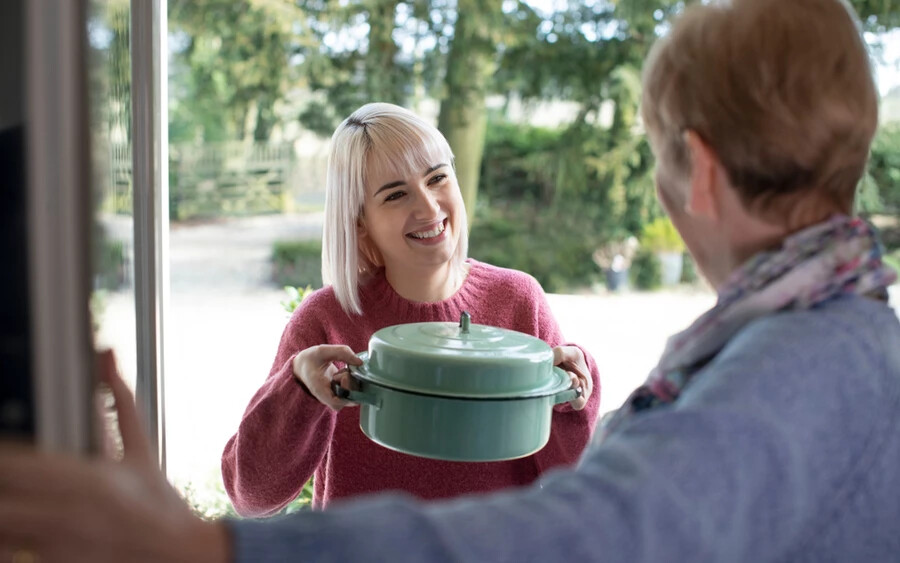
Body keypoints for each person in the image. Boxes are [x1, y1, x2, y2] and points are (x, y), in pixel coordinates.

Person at [1, 0, 899, 561]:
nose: (430, 204)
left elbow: (593, 525)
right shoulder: (841, 338)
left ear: (697, 171)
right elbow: (257, 482)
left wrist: (197, 550)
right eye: (395, 192)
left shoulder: (790, 365)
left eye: (659, 159)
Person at [220, 102, 600, 515]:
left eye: (437, 178)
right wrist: (297, 389)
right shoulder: (326, 320)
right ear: (360, 222)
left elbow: (573, 477)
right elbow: (252, 496)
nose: (429, 207)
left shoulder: (518, 300)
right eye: (396, 194)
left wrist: (573, 395)